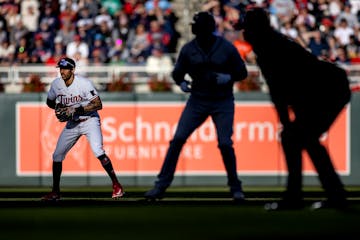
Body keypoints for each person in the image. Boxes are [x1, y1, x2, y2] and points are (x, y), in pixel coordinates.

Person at [242, 8, 351, 210]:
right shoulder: (271, 43)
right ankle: (332, 196)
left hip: (326, 89)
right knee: (303, 139)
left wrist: (286, 123)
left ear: (256, 29)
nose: (244, 34)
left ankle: (299, 197)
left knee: (297, 138)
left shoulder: (268, 48)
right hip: (323, 89)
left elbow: (279, 92)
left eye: (247, 29)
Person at [144, 11, 248, 201]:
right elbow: (177, 73)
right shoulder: (188, 48)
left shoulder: (226, 47)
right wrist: (181, 82)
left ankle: (235, 187)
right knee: (177, 140)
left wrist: (229, 77)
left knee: (225, 143)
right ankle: (160, 186)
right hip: (198, 100)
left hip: (221, 100)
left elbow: (242, 72)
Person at [41, 57, 124, 201]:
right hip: (72, 124)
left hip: (89, 120)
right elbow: (49, 101)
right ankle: (55, 192)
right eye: (60, 68)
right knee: (57, 155)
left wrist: (77, 109)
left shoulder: (84, 83)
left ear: (72, 70)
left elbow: (98, 104)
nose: (62, 71)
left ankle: (116, 185)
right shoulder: (56, 84)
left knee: (98, 150)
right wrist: (59, 108)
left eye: (65, 68)